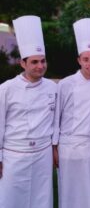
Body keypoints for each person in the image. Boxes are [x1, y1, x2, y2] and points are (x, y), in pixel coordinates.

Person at [0, 15, 57, 208]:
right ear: (22, 64)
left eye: (43, 61)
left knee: (42, 201)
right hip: (14, 156)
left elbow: (56, 121)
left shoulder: (52, 88)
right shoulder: (6, 89)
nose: (40, 66)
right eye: (34, 62)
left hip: (42, 155)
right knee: (11, 200)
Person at [53, 18, 90, 208]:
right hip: (68, 149)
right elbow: (55, 118)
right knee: (69, 195)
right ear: (79, 60)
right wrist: (54, 148)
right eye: (86, 59)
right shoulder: (65, 84)